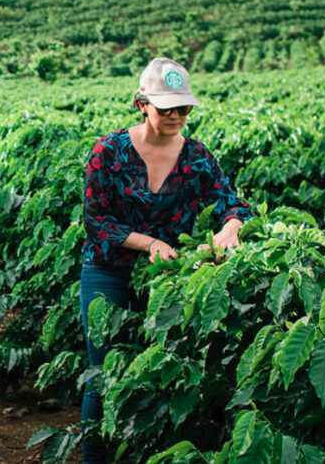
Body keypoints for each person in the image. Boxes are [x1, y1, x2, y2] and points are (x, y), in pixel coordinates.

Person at [79, 57, 252, 463]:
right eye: (165, 108)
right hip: (109, 271)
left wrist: (230, 228)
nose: (175, 116)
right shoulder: (109, 151)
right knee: (104, 371)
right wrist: (148, 243)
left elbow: (232, 203)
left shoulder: (197, 157)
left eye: (183, 108)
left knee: (159, 371)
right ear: (142, 104)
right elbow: (95, 220)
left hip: (167, 278)